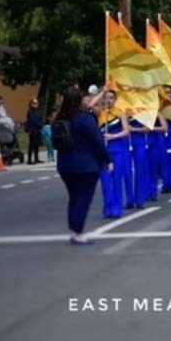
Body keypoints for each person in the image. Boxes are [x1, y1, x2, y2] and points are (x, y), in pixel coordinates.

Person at [55, 87, 112, 245]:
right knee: (83, 198)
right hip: (86, 165)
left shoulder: (60, 118)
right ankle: (77, 232)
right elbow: (97, 141)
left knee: (74, 197)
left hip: (65, 165)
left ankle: (74, 229)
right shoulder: (85, 119)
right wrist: (108, 160)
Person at [97, 89, 130, 219]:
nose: (108, 100)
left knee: (116, 179)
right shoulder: (99, 113)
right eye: (106, 97)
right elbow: (88, 106)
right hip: (103, 151)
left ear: (115, 99)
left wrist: (113, 136)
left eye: (111, 98)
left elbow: (126, 131)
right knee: (105, 181)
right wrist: (101, 91)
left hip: (117, 149)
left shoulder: (120, 113)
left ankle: (117, 209)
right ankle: (108, 208)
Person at [26, 98, 45, 164]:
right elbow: (33, 120)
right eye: (34, 103)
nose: (36, 104)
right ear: (31, 104)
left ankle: (36, 158)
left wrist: (42, 125)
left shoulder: (38, 111)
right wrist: (40, 125)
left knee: (37, 145)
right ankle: (29, 160)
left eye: (36, 103)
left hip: (38, 130)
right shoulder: (30, 112)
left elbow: (41, 118)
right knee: (31, 145)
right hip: (33, 130)